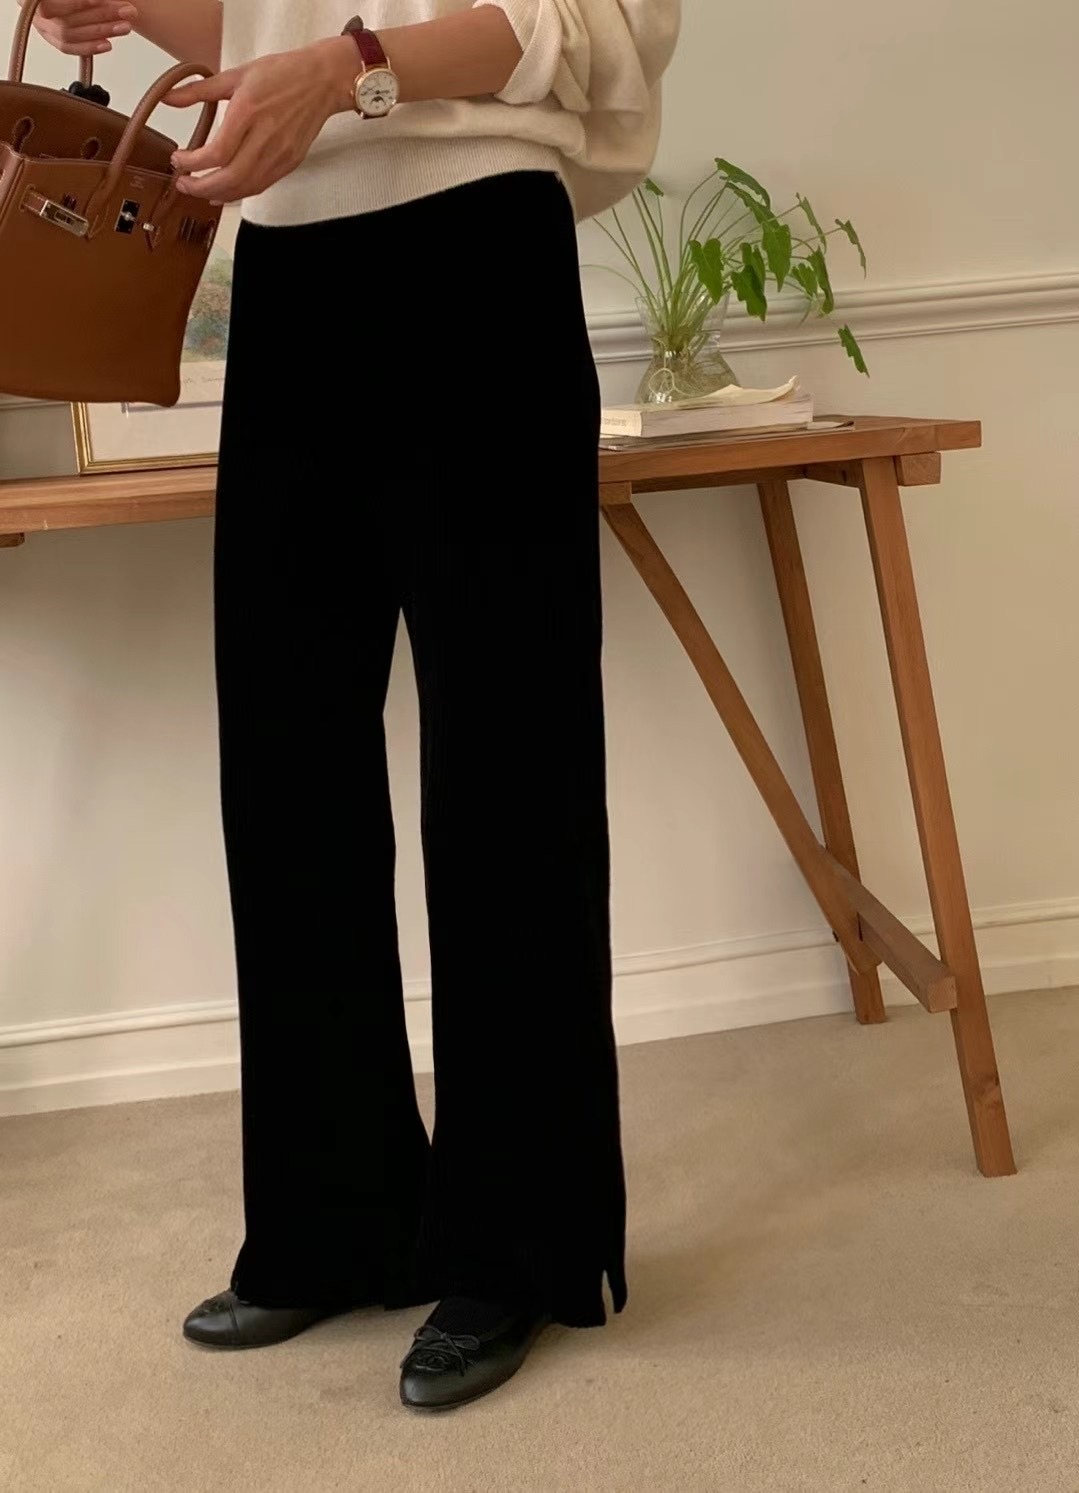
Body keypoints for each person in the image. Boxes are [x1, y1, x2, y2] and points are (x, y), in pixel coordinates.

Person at [32, 0, 680, 1409]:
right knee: (287, 765)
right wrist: (139, 7)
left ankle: (517, 1242)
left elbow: (595, 22)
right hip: (288, 267)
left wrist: (348, 70)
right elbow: (261, 20)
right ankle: (335, 1217)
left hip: (477, 247)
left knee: (508, 768)